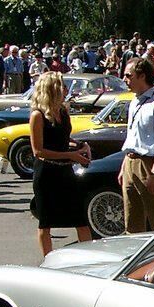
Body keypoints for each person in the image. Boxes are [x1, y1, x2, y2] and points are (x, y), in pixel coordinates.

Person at [29, 73, 93, 255]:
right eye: (62, 86)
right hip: (47, 173)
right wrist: (72, 155)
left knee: (80, 219)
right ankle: (48, 261)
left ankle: (91, 259)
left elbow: (63, 139)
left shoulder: (63, 112)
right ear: (52, 89)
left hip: (65, 171)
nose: (66, 90)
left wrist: (80, 145)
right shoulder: (38, 115)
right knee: (45, 221)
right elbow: (38, 151)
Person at [119, 58, 154, 233]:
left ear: (142, 76)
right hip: (130, 163)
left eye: (128, 76)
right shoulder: (134, 102)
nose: (125, 79)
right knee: (132, 219)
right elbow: (131, 137)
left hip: (148, 165)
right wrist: (123, 166)